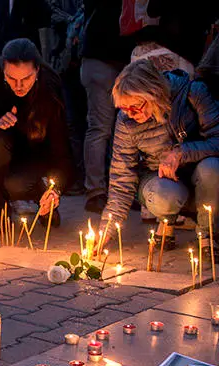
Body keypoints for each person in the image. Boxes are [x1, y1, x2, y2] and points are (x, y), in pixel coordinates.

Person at [99, 59, 219, 262]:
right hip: (163, 182)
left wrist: (181, 153)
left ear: (153, 94)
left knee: (212, 170)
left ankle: (207, 233)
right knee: (164, 196)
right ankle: (166, 220)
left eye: (134, 107)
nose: (129, 114)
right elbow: (122, 176)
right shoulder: (126, 120)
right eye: (123, 108)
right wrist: (107, 231)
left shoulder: (192, 94)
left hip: (203, 178)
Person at [0, 38, 73, 232]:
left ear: (37, 71)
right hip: (1, 155)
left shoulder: (49, 93)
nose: (19, 86)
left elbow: (62, 150)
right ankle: (0, 212)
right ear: (3, 70)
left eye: (26, 79)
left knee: (14, 184)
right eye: (12, 78)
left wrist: (55, 188)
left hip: (36, 157)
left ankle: (43, 196)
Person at [80, 0, 133, 213]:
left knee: (124, 127)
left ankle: (118, 190)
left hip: (117, 56)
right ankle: (96, 192)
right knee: (101, 128)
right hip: (101, 57)